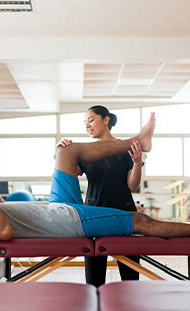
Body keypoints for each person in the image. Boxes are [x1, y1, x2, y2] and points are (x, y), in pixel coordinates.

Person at [0, 113, 190, 242]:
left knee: (66, 152)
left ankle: (139, 139)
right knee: (140, 220)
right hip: (67, 220)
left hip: (55, 207)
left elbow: (2, 220)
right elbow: (4, 233)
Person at [57, 105, 142, 286]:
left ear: (106, 120)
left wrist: (137, 162)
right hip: (94, 215)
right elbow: (67, 173)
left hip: (124, 213)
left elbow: (132, 185)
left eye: (91, 119)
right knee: (94, 280)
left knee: (131, 280)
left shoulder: (126, 148)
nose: (87, 125)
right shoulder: (85, 152)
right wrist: (63, 153)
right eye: (85, 122)